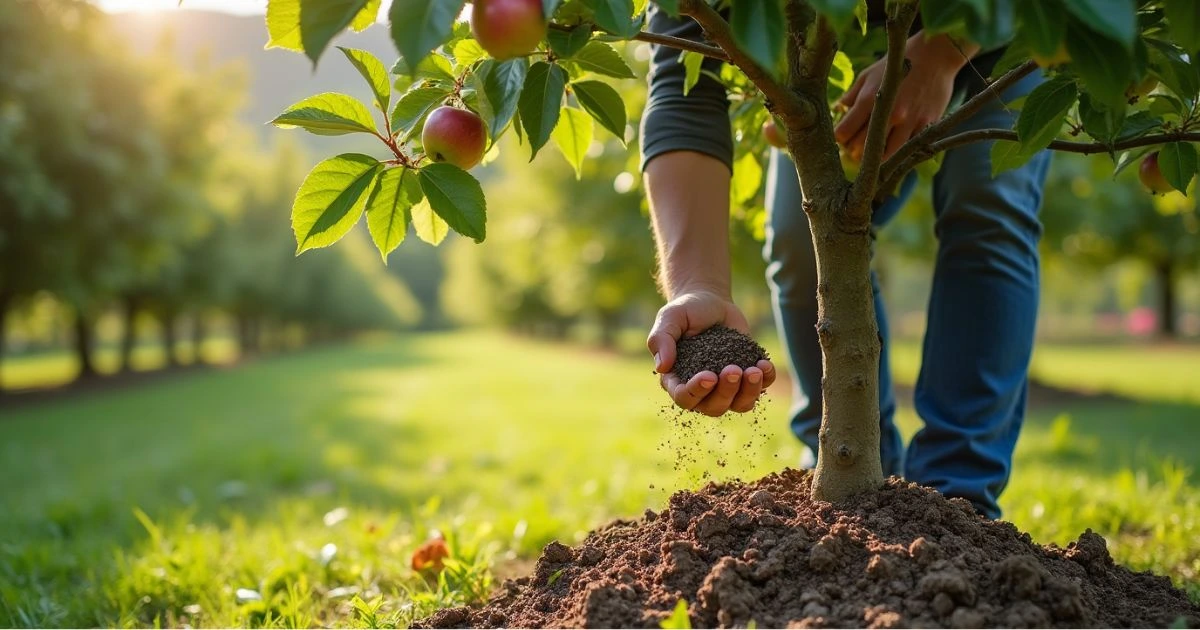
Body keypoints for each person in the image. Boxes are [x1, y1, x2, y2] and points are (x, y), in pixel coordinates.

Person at [640, 7, 1052, 519]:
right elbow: (683, 88)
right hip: (827, 51)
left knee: (988, 207)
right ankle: (847, 477)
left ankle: (959, 501)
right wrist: (696, 284)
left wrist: (942, 51)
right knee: (801, 236)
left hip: (1006, 29)